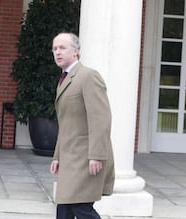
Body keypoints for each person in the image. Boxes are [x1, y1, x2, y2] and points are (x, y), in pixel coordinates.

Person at [50, 32, 115, 219]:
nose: (57, 52)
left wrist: (97, 155)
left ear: (76, 51)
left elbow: (101, 118)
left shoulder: (88, 76)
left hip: (86, 157)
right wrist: (57, 156)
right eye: (54, 48)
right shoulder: (64, 79)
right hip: (70, 158)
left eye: (62, 48)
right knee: (64, 210)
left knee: (81, 207)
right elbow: (66, 123)